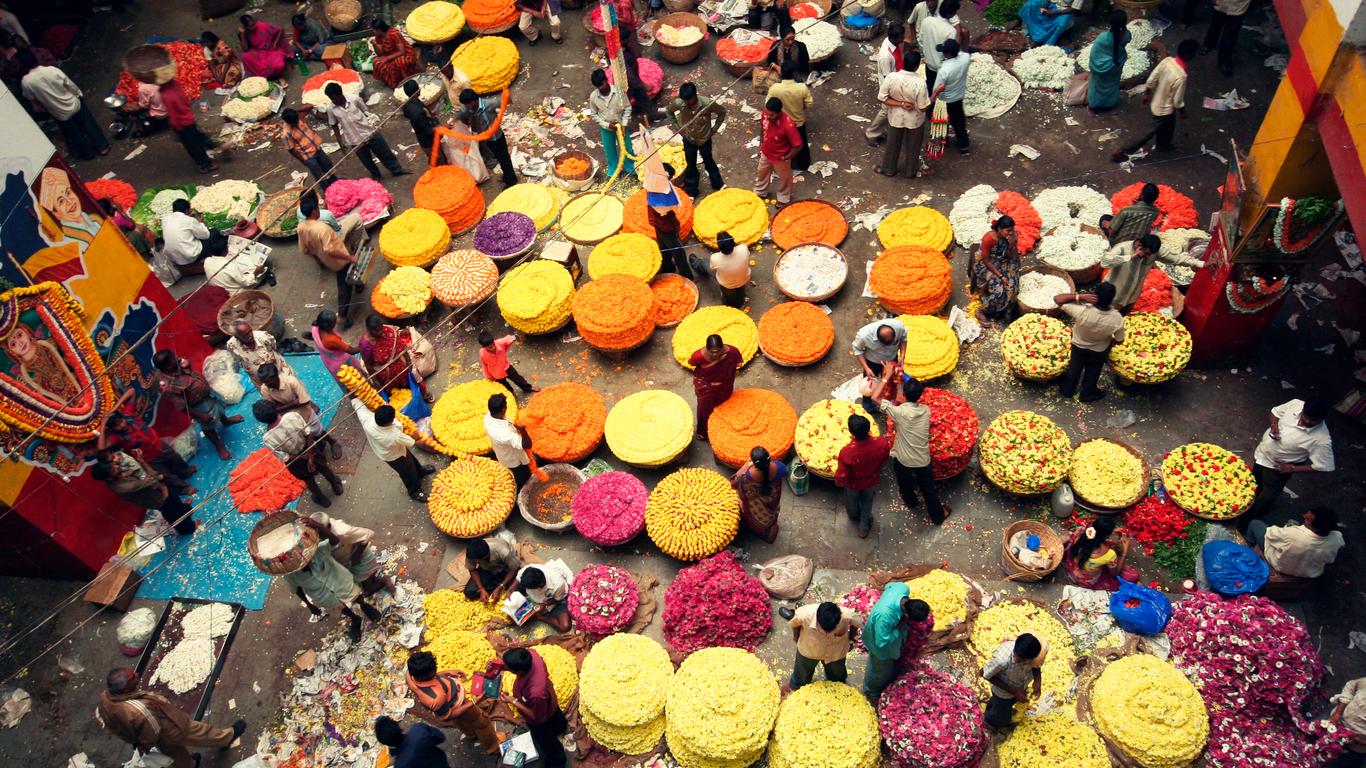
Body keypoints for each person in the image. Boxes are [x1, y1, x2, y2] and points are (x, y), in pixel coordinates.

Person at [97, 668, 245, 768]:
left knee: (174, 754)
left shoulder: (105, 698)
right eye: (132, 678)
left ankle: (190, 765)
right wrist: (145, 744)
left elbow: (112, 724)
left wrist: (136, 741)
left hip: (150, 737)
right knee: (200, 732)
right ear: (125, 689)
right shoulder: (138, 711)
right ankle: (227, 738)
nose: (137, 674)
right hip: (169, 728)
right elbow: (153, 731)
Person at [1244, 399, 1335, 527]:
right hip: (1261, 455)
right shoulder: (1295, 404)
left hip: (1277, 469)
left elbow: (1323, 466)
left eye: (1313, 421)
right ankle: (1245, 504)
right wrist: (1274, 425)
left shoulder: (1322, 440)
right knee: (1254, 483)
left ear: (1322, 419)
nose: (1307, 421)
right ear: (1303, 409)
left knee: (1267, 496)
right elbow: (1275, 412)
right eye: (1305, 416)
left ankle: (1250, 519)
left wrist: (1292, 468)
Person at [872, 375, 950, 524]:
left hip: (903, 459)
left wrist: (886, 377)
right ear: (920, 396)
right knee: (928, 489)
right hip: (922, 460)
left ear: (904, 394)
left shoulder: (899, 412)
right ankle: (938, 516)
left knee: (904, 483)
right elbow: (908, 406)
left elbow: (875, 397)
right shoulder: (926, 410)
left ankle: (911, 502)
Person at [284, 533, 381, 642]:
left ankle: (365, 606)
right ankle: (355, 618)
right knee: (339, 607)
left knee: (355, 596)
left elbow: (335, 541)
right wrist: (309, 605)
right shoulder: (290, 575)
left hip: (341, 582)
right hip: (322, 596)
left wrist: (318, 527)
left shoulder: (318, 551)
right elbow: (297, 589)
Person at [99, 389, 197, 495]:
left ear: (122, 417)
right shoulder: (116, 437)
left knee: (175, 458)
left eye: (121, 421)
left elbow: (132, 391)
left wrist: (115, 408)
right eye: (117, 426)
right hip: (150, 459)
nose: (122, 425)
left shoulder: (128, 413)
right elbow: (101, 449)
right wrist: (103, 425)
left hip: (160, 445)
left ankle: (186, 472)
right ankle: (185, 489)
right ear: (113, 429)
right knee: (166, 475)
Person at [1113, 39, 1195, 161]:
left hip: (1157, 101)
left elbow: (1152, 79)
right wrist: (1183, 112)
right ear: (1189, 56)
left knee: (1168, 126)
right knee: (1149, 132)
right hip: (1165, 109)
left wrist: (1147, 94)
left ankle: (1163, 145)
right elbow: (1177, 100)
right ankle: (1124, 150)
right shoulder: (1181, 76)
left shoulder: (1167, 61)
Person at [18, 50, 108, 161]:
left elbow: (31, 98)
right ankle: (102, 147)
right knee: (88, 124)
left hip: (58, 113)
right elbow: (70, 85)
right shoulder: (51, 70)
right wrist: (78, 94)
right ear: (35, 58)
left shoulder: (26, 82)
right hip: (73, 103)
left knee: (74, 134)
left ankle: (88, 153)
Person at [151, 350, 242, 460]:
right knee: (207, 425)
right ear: (168, 367)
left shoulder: (176, 366)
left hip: (208, 394)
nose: (177, 357)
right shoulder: (168, 386)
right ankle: (218, 445)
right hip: (199, 405)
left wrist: (187, 366)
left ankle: (225, 420)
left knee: (219, 408)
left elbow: (189, 373)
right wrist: (200, 415)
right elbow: (182, 406)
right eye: (173, 358)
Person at [404, 652, 500, 755]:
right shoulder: (436, 698)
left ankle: (471, 734)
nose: (436, 669)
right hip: (459, 706)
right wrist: (474, 702)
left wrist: (447, 673)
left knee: (460, 722)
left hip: (450, 705)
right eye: (434, 670)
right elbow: (449, 715)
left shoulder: (410, 675)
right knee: (482, 722)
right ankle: (493, 747)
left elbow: (433, 677)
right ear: (426, 675)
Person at [255, 400, 343, 508]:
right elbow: (309, 434)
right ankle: (336, 486)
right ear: (275, 408)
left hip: (296, 462)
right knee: (323, 467)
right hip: (311, 449)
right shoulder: (292, 416)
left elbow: (285, 457)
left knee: (308, 479)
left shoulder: (268, 438)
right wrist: (310, 456)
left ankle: (321, 498)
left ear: (261, 420)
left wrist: (305, 457)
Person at [92, 453, 197, 536]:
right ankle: (188, 529)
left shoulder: (117, 475)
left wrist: (140, 464)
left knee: (175, 501)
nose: (117, 467)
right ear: (109, 477)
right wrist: (160, 482)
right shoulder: (122, 486)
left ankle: (183, 509)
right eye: (113, 469)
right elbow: (149, 480)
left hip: (158, 490)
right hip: (156, 498)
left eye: (114, 465)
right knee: (172, 512)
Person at [495, 648, 568, 768]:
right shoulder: (532, 654)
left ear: (519, 671)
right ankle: (561, 728)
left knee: (547, 741)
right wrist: (497, 666)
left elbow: (538, 717)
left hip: (540, 716)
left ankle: (557, 761)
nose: (505, 667)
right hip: (550, 700)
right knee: (557, 718)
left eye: (507, 667)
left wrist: (513, 701)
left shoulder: (536, 693)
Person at [1052, 283, 1126, 402]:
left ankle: (1067, 391)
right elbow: (1119, 340)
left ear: (1094, 296)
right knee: (1093, 371)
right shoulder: (1117, 318)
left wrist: (1080, 297)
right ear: (1112, 299)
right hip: (1099, 349)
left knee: (1075, 367)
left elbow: (1057, 299)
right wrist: (1109, 342)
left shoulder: (1083, 311)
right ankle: (1087, 394)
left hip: (1078, 345)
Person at [298, 197, 364, 325]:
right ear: (314, 211)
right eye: (318, 208)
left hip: (326, 260)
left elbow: (304, 249)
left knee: (351, 271)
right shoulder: (322, 228)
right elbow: (330, 249)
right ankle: (342, 316)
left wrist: (318, 256)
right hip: (339, 261)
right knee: (344, 285)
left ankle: (359, 284)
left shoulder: (301, 227)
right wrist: (350, 257)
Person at [323, 81, 407, 180]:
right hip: (354, 139)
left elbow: (364, 110)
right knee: (367, 161)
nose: (332, 101)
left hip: (368, 132)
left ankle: (397, 169)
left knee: (385, 152)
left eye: (333, 98)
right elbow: (334, 125)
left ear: (340, 95)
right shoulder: (331, 109)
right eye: (330, 98)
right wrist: (341, 144)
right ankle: (376, 176)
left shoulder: (354, 99)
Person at [353, 401, 434, 501]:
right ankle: (415, 492)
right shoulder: (393, 435)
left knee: (411, 460)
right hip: (395, 457)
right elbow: (413, 442)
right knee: (407, 473)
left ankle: (420, 471)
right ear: (388, 422)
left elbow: (356, 403)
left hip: (393, 449)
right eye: (393, 417)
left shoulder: (367, 419)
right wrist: (420, 437)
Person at [259, 362, 341, 458]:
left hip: (305, 414)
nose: (267, 385)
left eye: (269, 382)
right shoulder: (265, 388)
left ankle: (332, 442)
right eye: (265, 383)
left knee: (317, 431)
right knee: (303, 436)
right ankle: (317, 446)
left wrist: (282, 406)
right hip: (289, 420)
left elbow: (304, 401)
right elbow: (273, 408)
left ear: (276, 376)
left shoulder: (291, 381)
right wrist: (294, 403)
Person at [1103, 234, 1205, 310]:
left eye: (1150, 254)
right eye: (1146, 253)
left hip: (1132, 297)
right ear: (1139, 244)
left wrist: (1202, 264)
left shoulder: (1154, 252)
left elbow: (1177, 259)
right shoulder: (1122, 248)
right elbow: (1104, 262)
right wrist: (1130, 257)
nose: (1147, 256)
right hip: (1113, 296)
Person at [862, 583, 929, 697]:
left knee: (890, 664)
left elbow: (888, 586)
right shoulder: (885, 616)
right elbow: (881, 642)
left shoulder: (903, 588)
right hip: (878, 643)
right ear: (906, 615)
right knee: (879, 669)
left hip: (888, 634)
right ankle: (871, 691)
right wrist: (897, 629)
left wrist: (887, 598)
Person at [1246, 507, 1344, 580]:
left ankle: (1247, 545)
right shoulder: (1337, 538)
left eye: (1308, 519)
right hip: (1310, 572)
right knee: (1293, 522)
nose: (1304, 516)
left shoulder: (1292, 534)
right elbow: (1329, 560)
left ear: (1316, 529)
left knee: (1255, 524)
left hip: (1280, 565)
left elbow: (1270, 534)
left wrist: (1286, 529)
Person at [878, 49, 932, 178]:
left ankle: (889, 170)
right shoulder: (920, 83)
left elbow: (882, 98)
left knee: (892, 144)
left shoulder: (892, 77)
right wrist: (935, 94)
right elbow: (923, 107)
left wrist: (900, 104)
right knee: (913, 146)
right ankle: (910, 172)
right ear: (917, 66)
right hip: (914, 121)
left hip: (895, 118)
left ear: (903, 62)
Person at [666, 82, 726, 197]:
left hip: (704, 139)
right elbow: (669, 111)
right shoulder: (679, 103)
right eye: (684, 100)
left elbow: (722, 112)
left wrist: (714, 130)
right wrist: (678, 129)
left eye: (689, 100)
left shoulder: (707, 104)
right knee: (691, 165)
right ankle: (692, 191)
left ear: (695, 96)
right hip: (688, 139)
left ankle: (718, 184)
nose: (687, 103)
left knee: (709, 161)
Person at [836, 414, 891, 538]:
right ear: (869, 428)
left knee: (852, 501)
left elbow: (842, 474)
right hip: (871, 480)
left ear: (851, 433)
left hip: (853, 484)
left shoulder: (847, 452)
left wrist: (838, 482)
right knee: (867, 501)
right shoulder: (882, 443)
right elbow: (884, 458)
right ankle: (864, 526)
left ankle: (854, 515)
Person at [787, 601, 861, 689]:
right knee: (802, 674)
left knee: (837, 675)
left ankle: (838, 686)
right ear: (818, 619)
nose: (827, 633)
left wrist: (851, 638)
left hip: (835, 653)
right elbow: (794, 625)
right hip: (809, 650)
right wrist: (796, 638)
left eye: (832, 630)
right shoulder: (804, 615)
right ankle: (797, 686)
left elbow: (856, 623)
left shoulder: (847, 616)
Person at [360, 315, 433, 402]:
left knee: (414, 376)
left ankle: (423, 394)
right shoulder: (365, 345)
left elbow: (401, 346)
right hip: (385, 374)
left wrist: (409, 362)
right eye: (377, 331)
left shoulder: (388, 331)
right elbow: (368, 364)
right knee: (396, 395)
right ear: (369, 330)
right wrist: (376, 381)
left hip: (400, 364)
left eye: (381, 329)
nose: (381, 332)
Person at [456, 88, 518, 187]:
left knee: (504, 159)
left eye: (467, 104)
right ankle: (507, 175)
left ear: (473, 101)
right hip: (487, 139)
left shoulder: (490, 103)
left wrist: (506, 97)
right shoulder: (470, 108)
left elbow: (507, 99)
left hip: (497, 138)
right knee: (499, 158)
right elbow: (461, 113)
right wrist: (454, 121)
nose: (466, 107)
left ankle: (511, 181)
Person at [982, 633, 1046, 729]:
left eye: (1023, 660)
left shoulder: (1035, 654)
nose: (1016, 659)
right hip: (1002, 692)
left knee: (1003, 705)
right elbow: (985, 674)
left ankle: (993, 707)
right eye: (1016, 656)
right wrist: (1014, 691)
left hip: (1020, 688)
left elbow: (1036, 666)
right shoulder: (1001, 659)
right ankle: (990, 723)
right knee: (1001, 716)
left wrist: (1037, 682)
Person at [689, 334, 743, 441]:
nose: (715, 354)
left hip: (724, 384)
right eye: (712, 352)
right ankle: (703, 432)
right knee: (705, 410)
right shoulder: (698, 356)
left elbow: (738, 363)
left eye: (718, 351)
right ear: (707, 348)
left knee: (724, 405)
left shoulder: (732, 352)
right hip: (706, 387)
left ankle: (720, 427)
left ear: (722, 347)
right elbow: (691, 362)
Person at [161, 76, 219, 173]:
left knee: (192, 145)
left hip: (182, 124)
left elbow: (173, 115)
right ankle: (216, 145)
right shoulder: (175, 84)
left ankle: (205, 165)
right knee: (198, 137)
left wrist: (176, 128)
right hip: (189, 117)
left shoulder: (166, 95)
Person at [731, 446, 788, 542]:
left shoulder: (746, 477)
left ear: (754, 464)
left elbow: (733, 483)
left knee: (757, 516)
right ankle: (770, 527)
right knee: (771, 515)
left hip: (757, 507)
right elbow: (786, 472)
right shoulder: (779, 467)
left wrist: (745, 467)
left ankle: (760, 530)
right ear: (769, 459)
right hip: (773, 502)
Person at [1062, 516, 1135, 590]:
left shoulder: (1082, 533)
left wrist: (1110, 531)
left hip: (1072, 570)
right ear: (1107, 535)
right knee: (1133, 575)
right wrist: (1125, 551)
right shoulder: (1110, 554)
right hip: (1086, 580)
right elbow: (1114, 574)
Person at [972, 215, 1021, 325]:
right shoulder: (989, 238)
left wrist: (1012, 244)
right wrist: (1001, 276)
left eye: (1012, 230)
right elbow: (986, 260)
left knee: (1013, 287)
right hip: (988, 265)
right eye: (1008, 230)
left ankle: (1006, 310)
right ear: (999, 229)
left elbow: (1013, 256)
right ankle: (982, 311)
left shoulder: (1012, 236)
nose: (1011, 232)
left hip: (1004, 261)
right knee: (999, 291)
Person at [766, 61, 814, 172]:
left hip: (782, 123)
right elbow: (810, 104)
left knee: (783, 144)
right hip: (798, 122)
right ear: (794, 74)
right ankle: (803, 165)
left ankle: (785, 164)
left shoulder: (775, 88)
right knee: (801, 144)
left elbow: (767, 104)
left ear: (781, 73)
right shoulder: (802, 88)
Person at [755, 96, 803, 205]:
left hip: (781, 157)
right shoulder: (765, 114)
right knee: (762, 172)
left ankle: (783, 198)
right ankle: (760, 192)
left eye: (771, 115)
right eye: (767, 113)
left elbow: (798, 145)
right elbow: (762, 128)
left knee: (785, 178)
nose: (768, 117)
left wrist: (786, 157)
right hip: (766, 151)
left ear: (779, 113)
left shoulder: (788, 125)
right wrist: (761, 144)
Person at [852, 319, 908, 411]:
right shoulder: (864, 335)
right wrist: (866, 368)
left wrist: (902, 356)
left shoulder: (899, 327)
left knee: (894, 382)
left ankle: (891, 402)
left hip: (892, 360)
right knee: (870, 386)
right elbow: (858, 350)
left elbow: (903, 339)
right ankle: (868, 406)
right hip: (873, 363)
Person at [160, 198, 224, 275]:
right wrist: (200, 222)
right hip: (191, 255)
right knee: (215, 233)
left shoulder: (165, 219)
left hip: (174, 257)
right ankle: (214, 254)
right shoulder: (188, 220)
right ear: (187, 210)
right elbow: (205, 235)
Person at [864, 25, 905, 145]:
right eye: (902, 37)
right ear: (895, 38)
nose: (903, 38)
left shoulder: (891, 43)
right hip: (889, 85)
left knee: (889, 110)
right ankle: (871, 133)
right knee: (886, 110)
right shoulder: (885, 57)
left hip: (896, 78)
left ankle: (882, 130)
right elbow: (888, 78)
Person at [590, 69, 635, 175]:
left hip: (621, 125)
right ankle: (613, 172)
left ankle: (631, 169)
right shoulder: (593, 97)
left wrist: (624, 123)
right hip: (606, 127)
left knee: (627, 148)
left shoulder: (619, 92)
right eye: (598, 86)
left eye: (602, 84)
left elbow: (628, 107)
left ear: (606, 80)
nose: (600, 88)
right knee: (609, 151)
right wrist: (607, 125)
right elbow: (594, 114)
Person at [485, 392, 534, 490]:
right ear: (503, 409)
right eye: (506, 406)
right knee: (522, 477)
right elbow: (527, 445)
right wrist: (522, 430)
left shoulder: (488, 417)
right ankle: (523, 489)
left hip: (503, 452)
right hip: (513, 460)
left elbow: (507, 424)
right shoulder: (503, 434)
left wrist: (515, 427)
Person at [930, 39, 970, 155]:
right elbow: (962, 53)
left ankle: (943, 141)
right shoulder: (966, 58)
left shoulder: (944, 70)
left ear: (947, 54)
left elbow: (936, 88)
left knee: (941, 121)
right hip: (958, 97)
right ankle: (964, 146)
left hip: (945, 99)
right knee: (959, 123)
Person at [282, 108, 336, 191]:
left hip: (317, 148)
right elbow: (291, 150)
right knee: (320, 175)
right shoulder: (286, 133)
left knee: (328, 167)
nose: (297, 122)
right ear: (289, 122)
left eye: (297, 120)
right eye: (294, 122)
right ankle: (328, 190)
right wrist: (303, 161)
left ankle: (336, 184)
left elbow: (309, 107)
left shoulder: (298, 118)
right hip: (308, 156)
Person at [226, 320, 290, 388]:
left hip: (277, 369)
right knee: (267, 390)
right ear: (236, 337)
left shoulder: (264, 337)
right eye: (245, 335)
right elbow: (237, 357)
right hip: (258, 377)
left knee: (288, 384)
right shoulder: (232, 345)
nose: (250, 335)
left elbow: (273, 346)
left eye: (250, 331)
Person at [1088, 11, 1130, 113]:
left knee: (1097, 85)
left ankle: (1092, 107)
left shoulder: (1103, 37)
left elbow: (1095, 54)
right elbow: (1120, 43)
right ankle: (1109, 106)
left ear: (1110, 23)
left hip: (1100, 67)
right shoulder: (1127, 35)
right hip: (1116, 65)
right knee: (1112, 85)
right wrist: (1124, 28)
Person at [512, 562, 573, 632]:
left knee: (565, 627)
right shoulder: (528, 571)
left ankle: (539, 617)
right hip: (536, 599)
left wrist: (545, 604)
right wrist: (510, 591)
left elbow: (557, 599)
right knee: (518, 619)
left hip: (556, 599)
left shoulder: (558, 584)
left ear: (541, 585)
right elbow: (517, 580)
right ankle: (534, 613)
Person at [312, 310, 366, 387]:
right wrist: (365, 345)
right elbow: (352, 351)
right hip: (341, 363)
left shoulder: (315, 328)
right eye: (335, 322)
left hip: (328, 360)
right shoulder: (331, 339)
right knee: (353, 380)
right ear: (329, 326)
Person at [916, 0, 959, 93]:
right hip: (941, 68)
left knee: (930, 87)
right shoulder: (951, 31)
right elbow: (949, 53)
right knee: (941, 91)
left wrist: (927, 52)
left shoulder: (926, 21)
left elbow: (921, 40)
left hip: (929, 65)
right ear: (951, 14)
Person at [464, 534, 522, 602]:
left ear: (485, 556)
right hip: (487, 569)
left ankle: (497, 586)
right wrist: (481, 588)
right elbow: (472, 569)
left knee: (519, 588)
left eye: (477, 561)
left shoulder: (503, 551)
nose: (475, 562)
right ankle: (494, 587)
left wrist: (500, 587)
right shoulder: (471, 553)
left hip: (505, 567)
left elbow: (515, 568)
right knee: (469, 592)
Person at [374, 716, 447, 768]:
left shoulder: (399, 765)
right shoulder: (419, 729)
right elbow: (441, 737)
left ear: (386, 743)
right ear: (398, 726)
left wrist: (395, 758)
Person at [370, 19, 421, 89]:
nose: (373, 31)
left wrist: (387, 58)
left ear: (379, 30)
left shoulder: (394, 34)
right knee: (376, 62)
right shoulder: (378, 37)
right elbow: (380, 54)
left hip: (404, 54)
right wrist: (375, 44)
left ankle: (408, 83)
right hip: (389, 56)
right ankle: (393, 84)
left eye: (374, 30)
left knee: (400, 62)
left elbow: (402, 51)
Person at [651, 194, 691, 279]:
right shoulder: (659, 199)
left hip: (658, 224)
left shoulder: (651, 192)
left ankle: (668, 267)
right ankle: (686, 276)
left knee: (663, 247)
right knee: (679, 252)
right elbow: (665, 212)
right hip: (666, 226)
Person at [1202, 0, 1246, 76]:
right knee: (1214, 25)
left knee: (1231, 33)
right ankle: (1209, 44)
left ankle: (1224, 59)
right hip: (1220, 3)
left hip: (1239, 5)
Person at [238, 14, 288, 79]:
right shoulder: (245, 33)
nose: (253, 27)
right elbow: (245, 49)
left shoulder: (262, 25)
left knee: (279, 65)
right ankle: (262, 76)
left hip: (270, 50)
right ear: (245, 27)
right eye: (250, 26)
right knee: (244, 57)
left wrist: (275, 43)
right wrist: (242, 35)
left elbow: (280, 30)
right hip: (258, 52)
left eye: (254, 24)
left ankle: (274, 75)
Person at [710, 231, 751, 308]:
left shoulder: (714, 258)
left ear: (719, 247)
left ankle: (696, 263)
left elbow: (712, 268)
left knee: (705, 265)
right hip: (744, 279)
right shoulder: (743, 248)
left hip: (727, 285)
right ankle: (739, 302)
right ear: (733, 241)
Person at [1019, 0, 1084, 47]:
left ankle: (1046, 41)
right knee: (1030, 5)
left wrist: (1053, 12)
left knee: (1061, 23)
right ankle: (1034, 34)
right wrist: (1045, 5)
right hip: (1051, 3)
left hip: (1064, 9)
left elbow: (1073, 9)